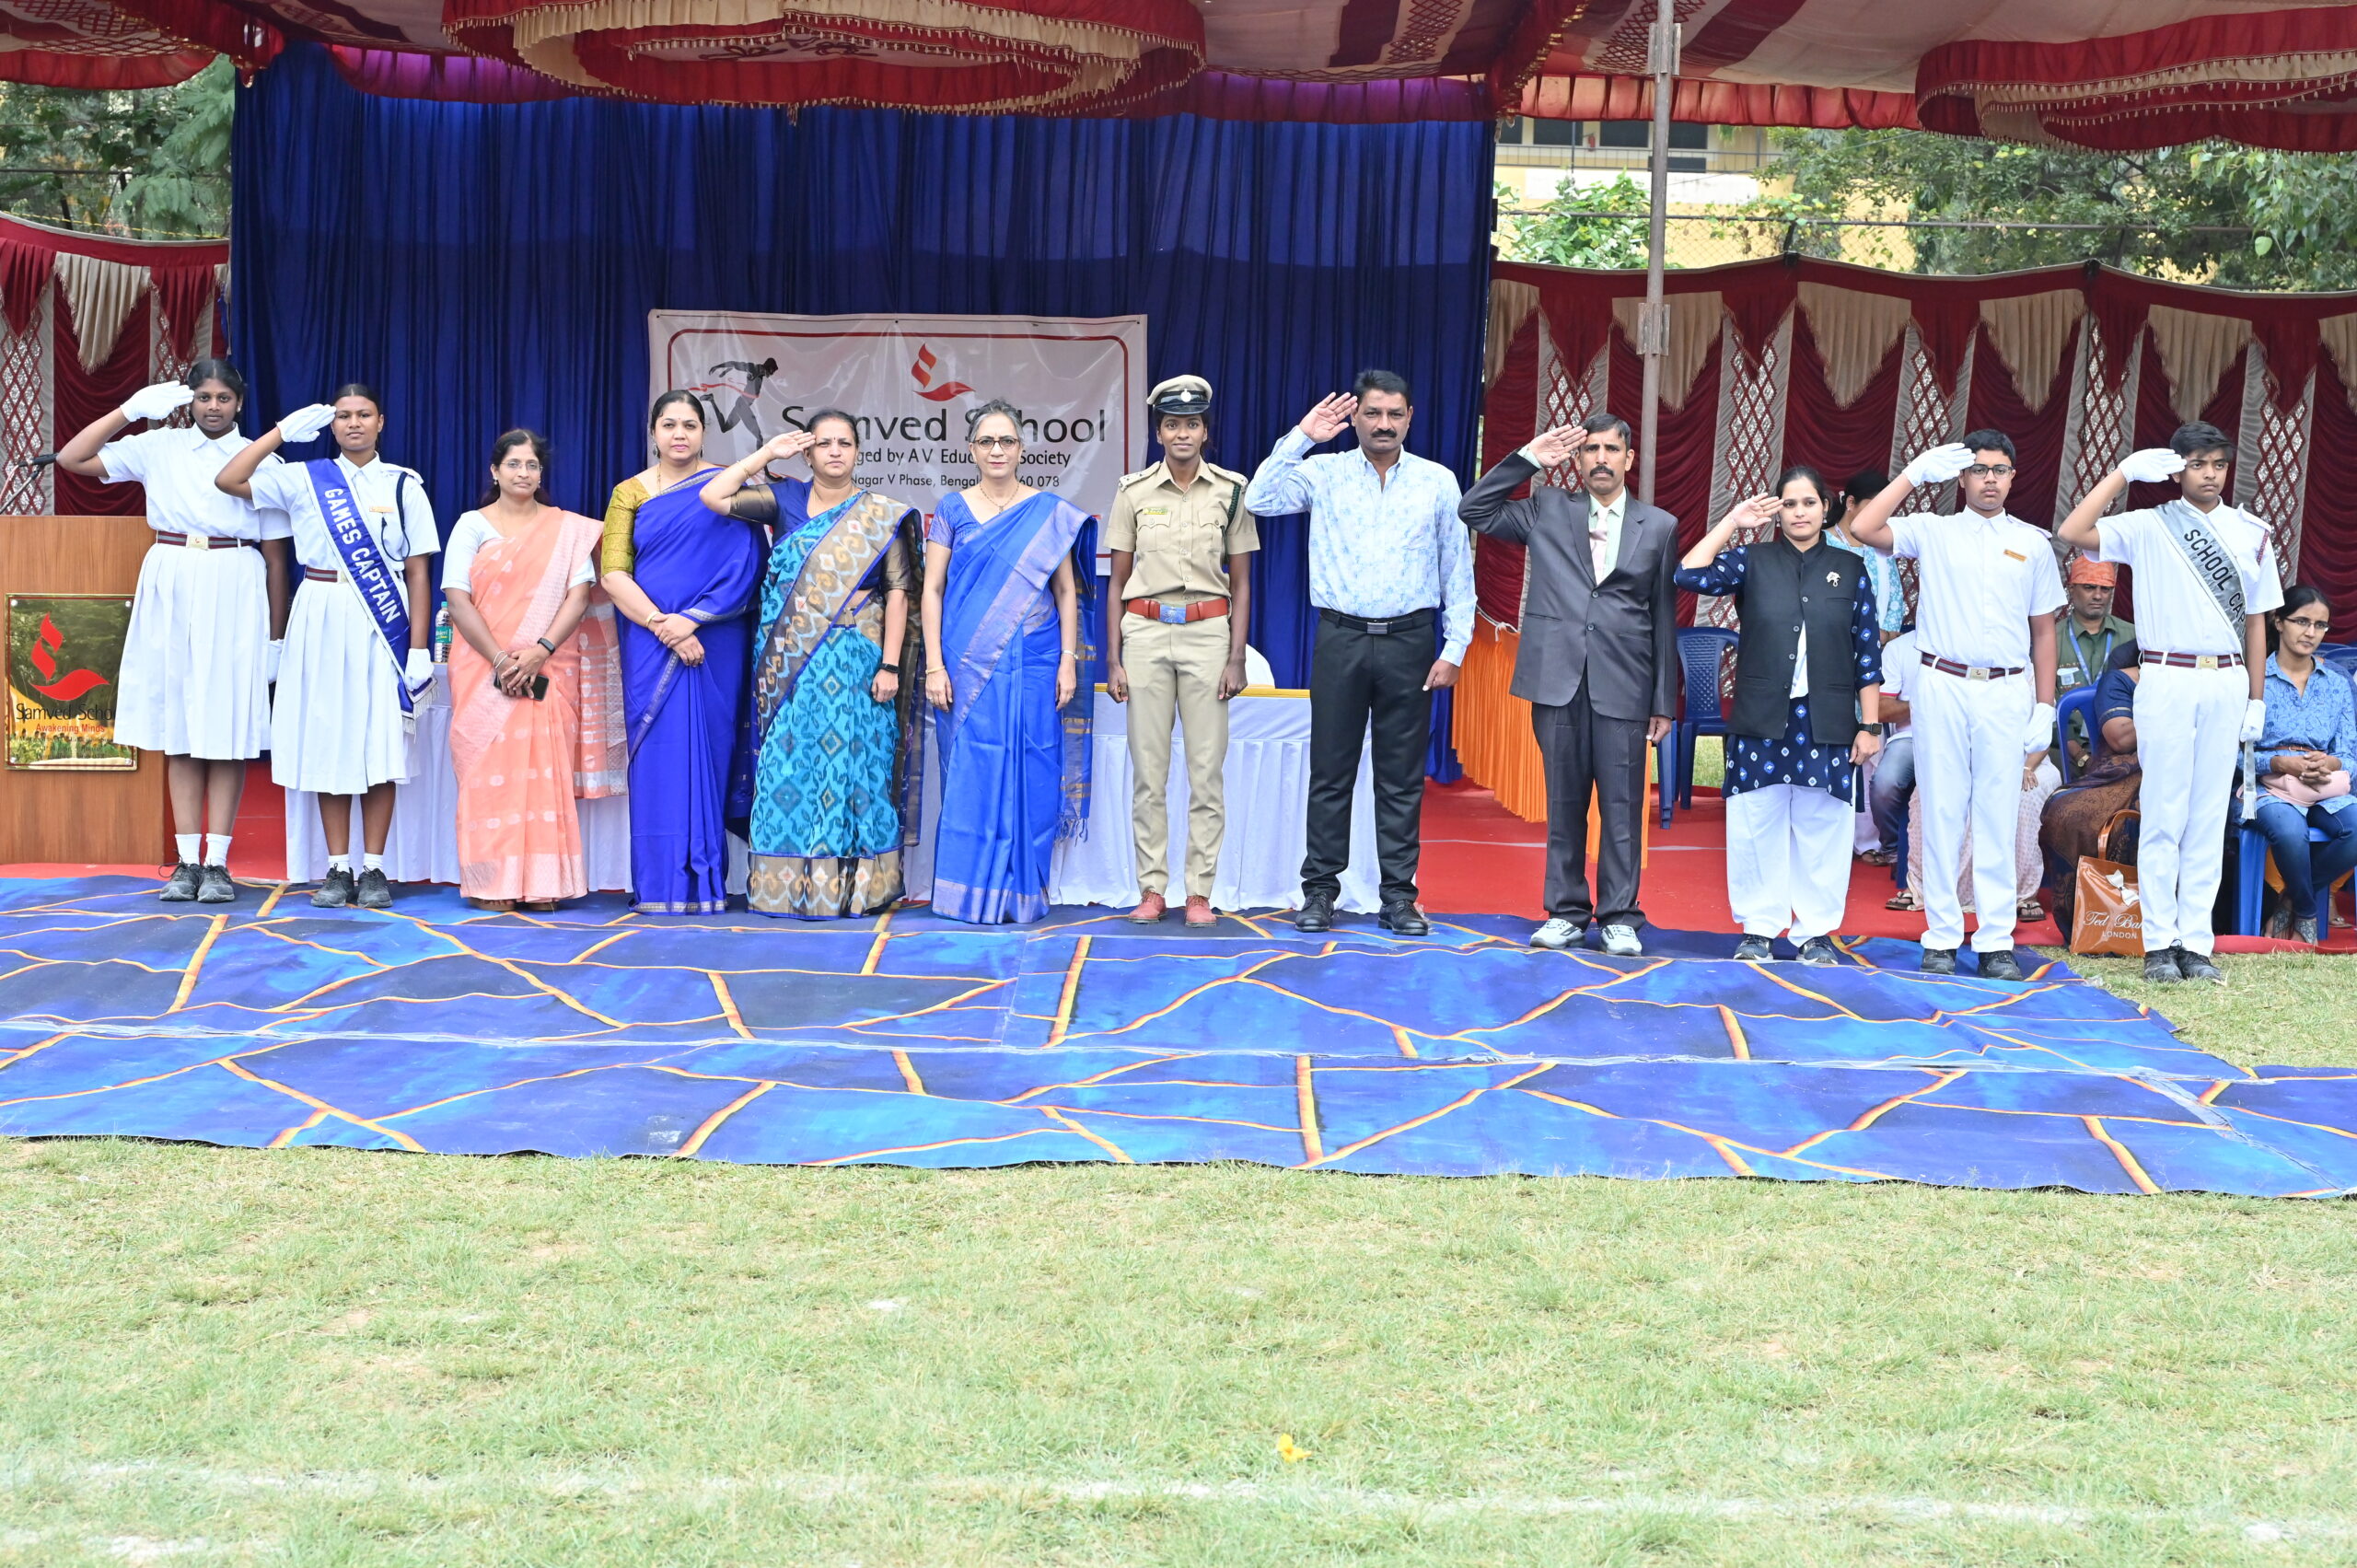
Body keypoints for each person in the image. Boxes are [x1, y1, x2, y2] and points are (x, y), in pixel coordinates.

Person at [53, 361, 292, 904]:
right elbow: (72, 459)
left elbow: (278, 559)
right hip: (172, 574)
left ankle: (218, 862)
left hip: (235, 579)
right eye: (204, 396)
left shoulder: (262, 458)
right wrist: (128, 411)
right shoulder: (158, 446)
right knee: (181, 726)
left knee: (227, 728)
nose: (213, 407)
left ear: (239, 401)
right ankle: (186, 861)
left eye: (224, 397)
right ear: (190, 401)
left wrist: (276, 638)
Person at [1246, 370, 1472, 937]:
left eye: (1395, 414)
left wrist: (1456, 646)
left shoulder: (1438, 481)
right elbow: (1258, 498)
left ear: (1410, 418)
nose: (1383, 424)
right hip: (1341, 638)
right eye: (1372, 413)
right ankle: (1321, 891)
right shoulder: (1323, 472)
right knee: (1331, 772)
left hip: (1411, 642)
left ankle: (1398, 898)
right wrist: (1302, 436)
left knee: (1400, 777)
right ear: (1355, 418)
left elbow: (1457, 567)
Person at [2057, 421, 2282, 983]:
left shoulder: (2252, 532)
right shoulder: (2149, 524)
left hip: (2226, 679)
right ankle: (2159, 942)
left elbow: (2258, 621)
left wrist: (2256, 698)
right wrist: (2122, 474)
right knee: (2164, 813)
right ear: (2177, 469)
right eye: (2198, 464)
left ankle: (2195, 943)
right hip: (2166, 675)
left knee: (2207, 816)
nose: (2210, 475)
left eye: (2218, 464)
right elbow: (2072, 530)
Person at [1846, 429, 2063, 981]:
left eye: (1999, 469)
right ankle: (1941, 935)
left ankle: (1995, 940)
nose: (1990, 479)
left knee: (1997, 813)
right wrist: (1913, 474)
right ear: (1962, 478)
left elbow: (2044, 631)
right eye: (1979, 469)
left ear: (2013, 477)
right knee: (1942, 810)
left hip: (2006, 688)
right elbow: (1864, 527)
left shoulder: (2033, 543)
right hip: (1941, 682)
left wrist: (2045, 705)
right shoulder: (1933, 530)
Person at [1457, 412, 1677, 957]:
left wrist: (1662, 700)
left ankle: (1620, 917)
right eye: (1591, 450)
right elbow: (1474, 509)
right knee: (1564, 804)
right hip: (1557, 678)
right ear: (1578, 460)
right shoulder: (1547, 508)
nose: (1601, 459)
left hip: (1624, 683)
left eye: (1611, 449)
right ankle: (1566, 912)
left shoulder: (1659, 525)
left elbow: (1663, 616)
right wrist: (1530, 459)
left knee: (1622, 806)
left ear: (1629, 458)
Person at [215, 384, 437, 910]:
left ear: (381, 421)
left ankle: (375, 868)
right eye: (343, 416)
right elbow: (229, 479)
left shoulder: (403, 484)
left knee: (379, 745)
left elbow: (418, 571)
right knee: (328, 740)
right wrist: (279, 434)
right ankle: (338, 868)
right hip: (319, 610)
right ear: (330, 425)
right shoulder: (304, 477)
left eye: (363, 414)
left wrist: (418, 648)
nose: (353, 423)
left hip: (381, 622)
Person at [700, 412, 925, 920]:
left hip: (857, 659)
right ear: (807, 453)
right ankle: (789, 890)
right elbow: (713, 496)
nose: (835, 452)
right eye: (824, 444)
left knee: (854, 768)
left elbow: (898, 593)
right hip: (790, 665)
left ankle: (856, 891)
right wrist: (766, 455)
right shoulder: (785, 499)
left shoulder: (880, 515)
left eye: (845, 443)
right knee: (792, 764)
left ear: (858, 451)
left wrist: (890, 666)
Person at [1673, 469, 1883, 964]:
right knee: (1755, 823)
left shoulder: (1850, 568)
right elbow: (1688, 574)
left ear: (1826, 507)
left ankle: (1815, 933)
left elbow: (1867, 652)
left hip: (1828, 717)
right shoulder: (1754, 560)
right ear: (1777, 511)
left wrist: (1870, 725)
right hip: (1761, 715)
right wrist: (1733, 521)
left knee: (1823, 828)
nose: (1800, 512)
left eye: (1809, 502)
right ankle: (1758, 930)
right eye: (1789, 504)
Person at [921, 400, 1094, 924]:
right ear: (971, 450)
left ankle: (1021, 893)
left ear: (1021, 449)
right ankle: (966, 893)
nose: (997, 450)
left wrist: (1068, 660)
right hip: (965, 663)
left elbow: (1066, 592)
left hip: (1036, 657)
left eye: (1007, 441)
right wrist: (934, 665)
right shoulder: (952, 510)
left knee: (1033, 764)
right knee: (971, 769)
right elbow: (932, 589)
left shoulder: (1047, 513)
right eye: (987, 441)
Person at [441, 430, 626, 912]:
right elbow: (457, 599)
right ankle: (492, 883)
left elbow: (578, 597)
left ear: (541, 474)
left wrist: (540, 651)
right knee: (488, 776)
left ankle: (544, 884)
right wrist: (502, 660)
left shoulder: (565, 530)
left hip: (549, 666)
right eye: (514, 464)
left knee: (543, 776)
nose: (523, 473)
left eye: (532, 465)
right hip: (484, 668)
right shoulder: (471, 525)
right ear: (494, 471)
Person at [601, 391, 767, 915]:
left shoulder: (728, 486)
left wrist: (694, 619)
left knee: (712, 753)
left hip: (717, 638)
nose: (679, 434)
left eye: (690, 425)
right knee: (659, 757)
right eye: (669, 425)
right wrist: (664, 625)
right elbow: (613, 574)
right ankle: (660, 886)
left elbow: (748, 566)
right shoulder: (628, 493)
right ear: (653, 432)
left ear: (703, 433)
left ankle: (705, 885)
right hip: (650, 640)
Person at [1104, 375, 1258, 928]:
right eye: (1172, 424)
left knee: (1205, 772)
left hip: (1208, 634)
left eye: (1192, 424)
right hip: (1145, 634)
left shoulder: (1231, 491)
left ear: (1205, 431)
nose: (1182, 434)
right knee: (1149, 772)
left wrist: (1236, 656)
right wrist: (1114, 658)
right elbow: (1116, 582)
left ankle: (1199, 892)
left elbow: (1242, 582)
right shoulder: (1133, 492)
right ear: (1159, 432)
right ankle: (1152, 888)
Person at [2251, 586, 2356, 943]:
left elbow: (2350, 754)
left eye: (2320, 625)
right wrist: (2280, 762)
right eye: (2302, 621)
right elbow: (2232, 754)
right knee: (2289, 831)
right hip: (2270, 786)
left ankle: (2290, 900)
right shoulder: (2253, 679)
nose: (2311, 632)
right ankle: (2309, 913)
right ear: (2278, 621)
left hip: (2323, 784)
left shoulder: (2336, 684)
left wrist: (2329, 761)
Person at [2057, 555, 2133, 770]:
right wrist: (2081, 757)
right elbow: (2044, 707)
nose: (2098, 596)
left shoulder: (2133, 636)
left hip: (2121, 749)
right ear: (2071, 589)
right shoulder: (2052, 639)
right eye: (2089, 587)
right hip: (2064, 751)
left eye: (2105, 589)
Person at [1829, 468, 1906, 642]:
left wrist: (1883, 637)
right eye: (1874, 507)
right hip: (1834, 643)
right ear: (1850, 503)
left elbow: (1895, 598)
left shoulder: (1880, 545)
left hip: (1877, 648)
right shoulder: (1822, 543)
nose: (1879, 515)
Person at [1868, 623, 1919, 880]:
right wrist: (1923, 703)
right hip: (1911, 736)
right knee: (1884, 784)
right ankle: (1894, 851)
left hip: (1963, 737)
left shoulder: (1968, 643)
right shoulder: (1900, 647)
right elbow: (1881, 709)